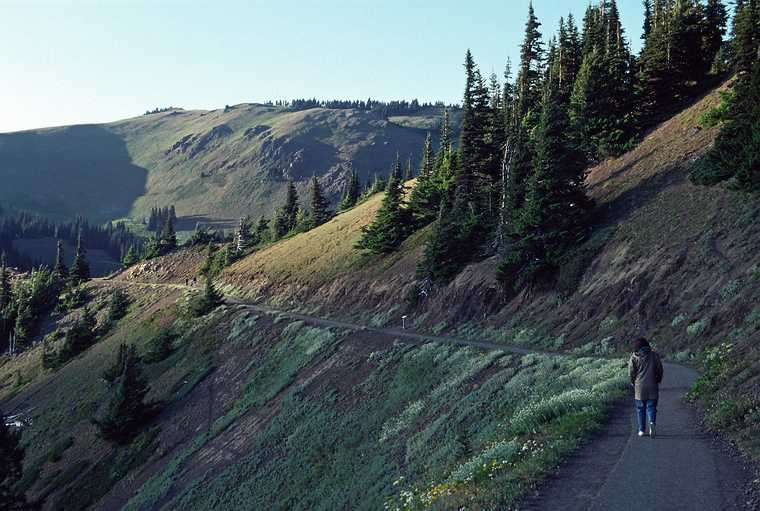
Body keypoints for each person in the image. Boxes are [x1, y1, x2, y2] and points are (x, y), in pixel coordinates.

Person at [628, 337, 663, 438]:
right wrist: (658, 379)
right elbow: (659, 369)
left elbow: (631, 372)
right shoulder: (654, 355)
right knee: (651, 407)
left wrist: (632, 382)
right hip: (652, 385)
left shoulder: (634, 357)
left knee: (640, 408)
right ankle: (652, 423)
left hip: (639, 387)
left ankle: (641, 430)